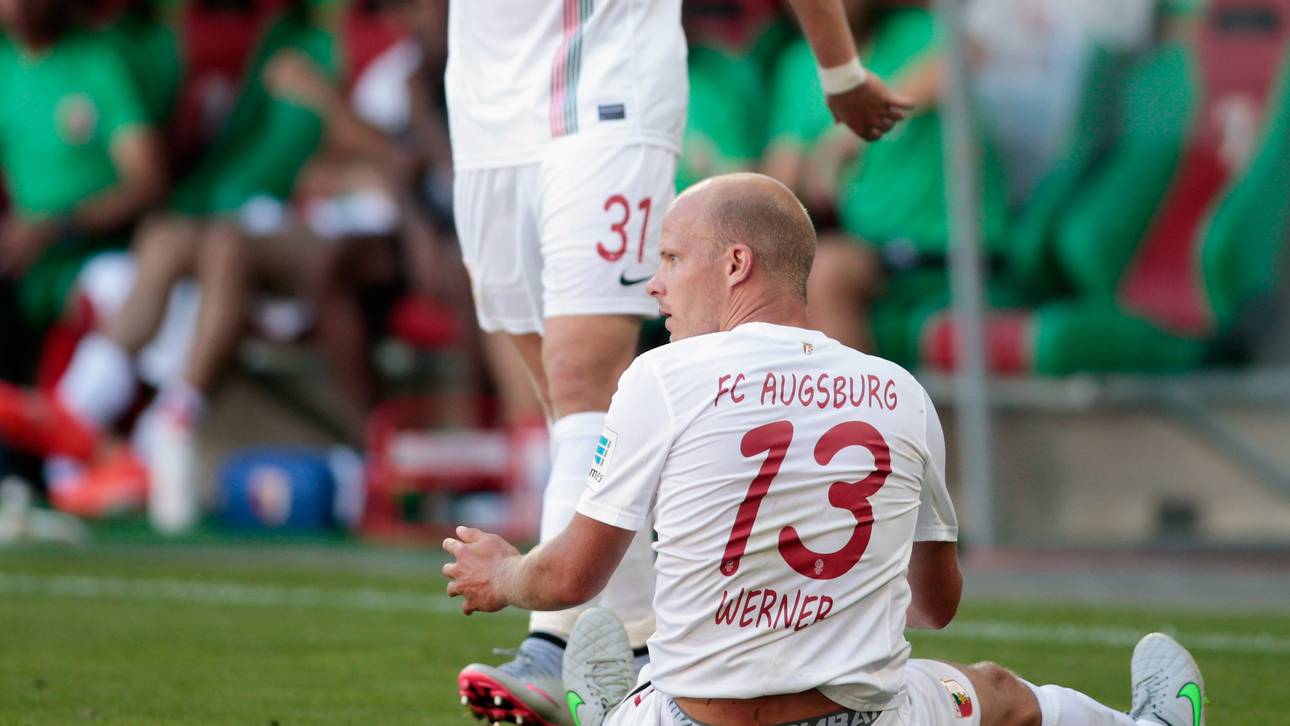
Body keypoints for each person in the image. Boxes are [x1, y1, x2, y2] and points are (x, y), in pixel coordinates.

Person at [443, 173, 1207, 726]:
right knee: (998, 691)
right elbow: (938, 608)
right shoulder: (900, 390)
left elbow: (574, 575)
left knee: (657, 698)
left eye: (672, 258)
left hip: (694, 720)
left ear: (736, 264)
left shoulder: (662, 377)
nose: (656, 286)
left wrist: (502, 574)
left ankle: (611, 714)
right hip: (866, 721)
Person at [447, 0, 914, 722]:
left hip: (608, 86)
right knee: (568, 408)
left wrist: (839, 67)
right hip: (483, 111)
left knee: (581, 379)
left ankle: (550, 646)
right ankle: (641, 658)